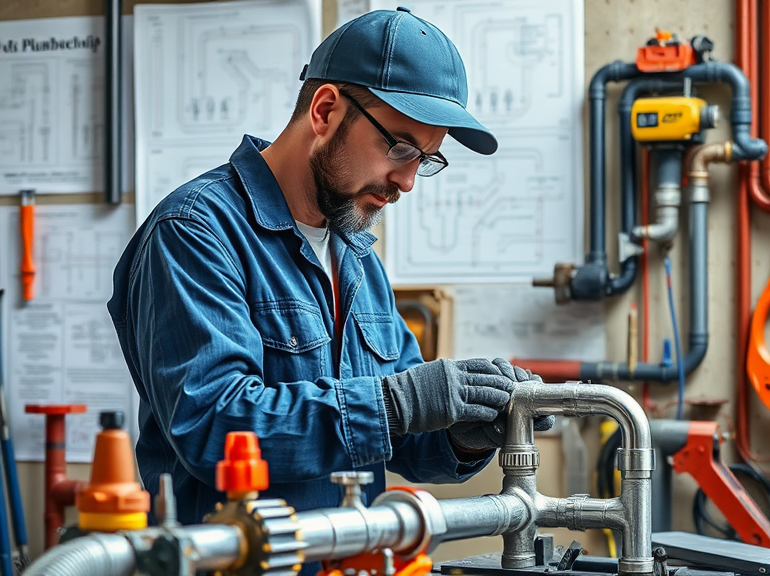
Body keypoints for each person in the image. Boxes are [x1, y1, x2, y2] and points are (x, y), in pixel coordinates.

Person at [107, 6, 551, 550]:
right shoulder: (197, 234)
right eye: (402, 147)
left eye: (427, 160)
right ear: (324, 111)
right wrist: (395, 404)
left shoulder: (356, 254)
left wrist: (463, 432)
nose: (408, 182)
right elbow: (215, 426)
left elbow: (400, 438)